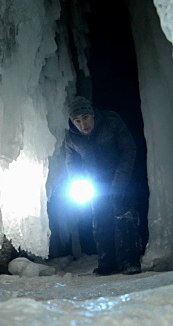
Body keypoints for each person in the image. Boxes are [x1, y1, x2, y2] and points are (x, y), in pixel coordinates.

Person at [64, 96, 142, 275]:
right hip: (96, 184)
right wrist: (79, 183)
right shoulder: (71, 138)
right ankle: (107, 263)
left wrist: (120, 182)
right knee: (100, 222)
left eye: (85, 117)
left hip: (122, 178)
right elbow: (72, 165)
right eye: (77, 120)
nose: (82, 124)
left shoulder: (111, 121)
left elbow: (129, 149)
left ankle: (130, 261)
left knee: (124, 219)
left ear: (92, 114)